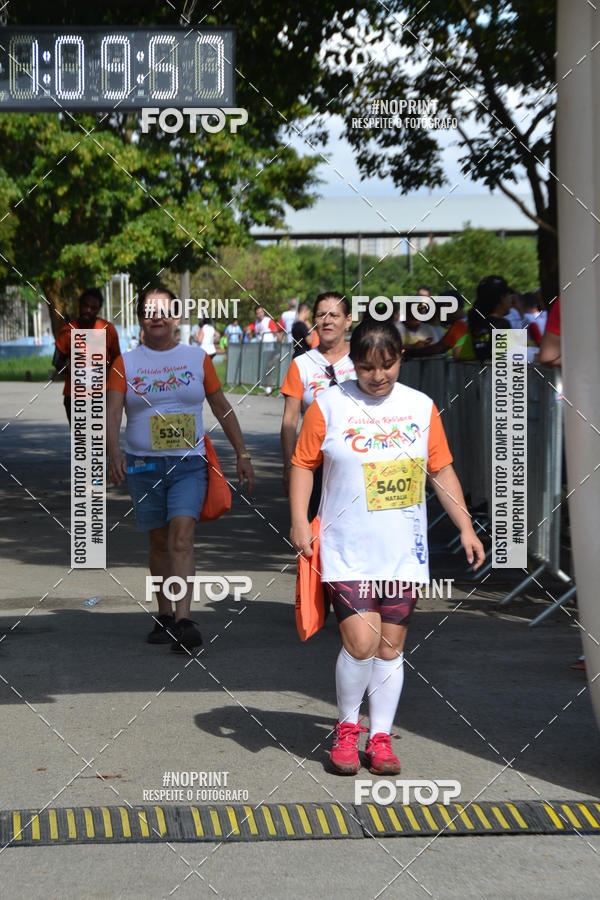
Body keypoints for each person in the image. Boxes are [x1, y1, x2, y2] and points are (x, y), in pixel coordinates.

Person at [289, 318, 484, 775]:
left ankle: (380, 738)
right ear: (353, 363)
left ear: (401, 358)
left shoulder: (420, 407)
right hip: (346, 546)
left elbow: (441, 470)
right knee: (362, 642)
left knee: (391, 647)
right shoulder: (329, 405)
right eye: (366, 367)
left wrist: (466, 527)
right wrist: (299, 521)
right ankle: (346, 728)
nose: (378, 376)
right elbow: (302, 464)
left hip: (402, 549)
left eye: (387, 365)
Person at [107, 286, 254, 652]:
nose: (156, 317)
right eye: (148, 311)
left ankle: (185, 620)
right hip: (143, 465)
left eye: (163, 311)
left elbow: (221, 406)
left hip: (189, 465)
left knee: (182, 537)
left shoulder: (196, 358)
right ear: (140, 319)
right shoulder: (126, 363)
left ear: (176, 317)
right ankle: (164, 615)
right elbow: (112, 412)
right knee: (159, 542)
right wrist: (113, 451)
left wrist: (242, 453)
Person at [280, 292, 355, 501]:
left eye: (334, 315)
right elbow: (290, 419)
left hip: (357, 460)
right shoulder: (301, 364)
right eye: (321, 315)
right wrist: (288, 466)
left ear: (348, 320)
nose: (327, 321)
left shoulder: (362, 360)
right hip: (314, 464)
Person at [54, 288, 121, 426]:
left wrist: (109, 373)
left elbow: (117, 360)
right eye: (85, 305)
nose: (88, 310)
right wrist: (74, 371)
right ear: (79, 305)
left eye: (93, 307)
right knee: (82, 438)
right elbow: (57, 361)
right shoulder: (67, 331)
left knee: (102, 437)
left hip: (102, 394)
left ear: (98, 309)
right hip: (74, 396)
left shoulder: (108, 329)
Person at [456, 275, 513, 362]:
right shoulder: (503, 325)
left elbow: (460, 354)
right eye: (509, 295)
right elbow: (512, 360)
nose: (511, 299)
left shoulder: (475, 325)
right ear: (502, 298)